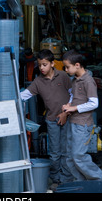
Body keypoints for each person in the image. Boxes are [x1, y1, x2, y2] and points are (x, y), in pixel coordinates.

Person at [20, 49, 74, 188]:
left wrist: (67, 112)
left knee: (67, 151)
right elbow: (23, 96)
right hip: (52, 120)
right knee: (55, 153)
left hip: (68, 118)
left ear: (52, 64)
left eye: (44, 64)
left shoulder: (63, 76)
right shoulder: (38, 82)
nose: (42, 68)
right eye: (40, 65)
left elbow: (73, 95)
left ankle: (66, 179)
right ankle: (56, 179)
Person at [62, 49, 102, 182]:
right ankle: (81, 183)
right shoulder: (75, 80)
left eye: (67, 67)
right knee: (70, 157)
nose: (66, 70)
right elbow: (74, 96)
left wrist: (74, 108)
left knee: (78, 156)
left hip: (82, 125)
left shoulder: (88, 81)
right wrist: (68, 105)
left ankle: (100, 178)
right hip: (73, 121)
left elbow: (94, 103)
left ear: (77, 65)